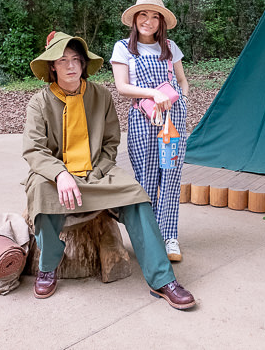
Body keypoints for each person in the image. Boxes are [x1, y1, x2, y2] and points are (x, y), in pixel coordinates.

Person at [22, 30, 195, 310]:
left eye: (76, 59)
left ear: (83, 64)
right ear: (52, 66)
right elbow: (34, 150)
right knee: (41, 194)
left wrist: (97, 170)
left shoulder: (100, 95)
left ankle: (162, 280)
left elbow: (111, 142)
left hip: (98, 171)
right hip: (56, 174)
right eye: (62, 60)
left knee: (137, 195)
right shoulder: (39, 103)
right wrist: (61, 174)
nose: (70, 66)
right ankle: (48, 265)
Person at [111, 0, 189, 262]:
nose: (148, 20)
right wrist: (153, 95)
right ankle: (147, 235)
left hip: (173, 122)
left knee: (171, 174)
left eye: (155, 16)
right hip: (142, 120)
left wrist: (184, 100)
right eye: (143, 14)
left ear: (161, 21)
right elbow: (122, 87)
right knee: (146, 177)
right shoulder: (123, 48)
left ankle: (169, 238)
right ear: (134, 19)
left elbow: (182, 80)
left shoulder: (169, 47)